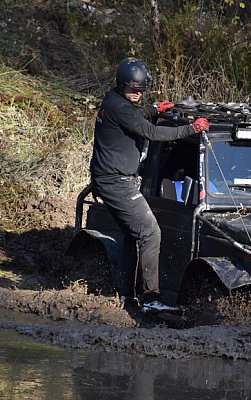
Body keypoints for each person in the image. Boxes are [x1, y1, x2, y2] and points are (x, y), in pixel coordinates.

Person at [89, 57, 209, 313]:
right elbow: (152, 133)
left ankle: (125, 295)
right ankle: (151, 299)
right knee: (150, 233)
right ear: (121, 84)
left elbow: (134, 119)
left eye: (141, 90)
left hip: (112, 180)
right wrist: (191, 129)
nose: (137, 94)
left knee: (135, 236)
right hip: (116, 183)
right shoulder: (119, 106)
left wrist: (154, 110)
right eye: (133, 89)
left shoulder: (114, 102)